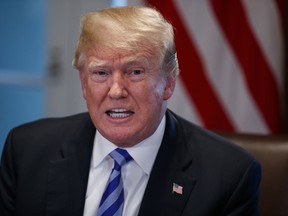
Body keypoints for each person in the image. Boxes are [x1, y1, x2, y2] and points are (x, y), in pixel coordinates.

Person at [0, 6, 261, 216]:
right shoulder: (26, 150)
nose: (116, 91)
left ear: (168, 82)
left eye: (135, 72)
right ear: (83, 83)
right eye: (101, 73)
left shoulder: (229, 176)